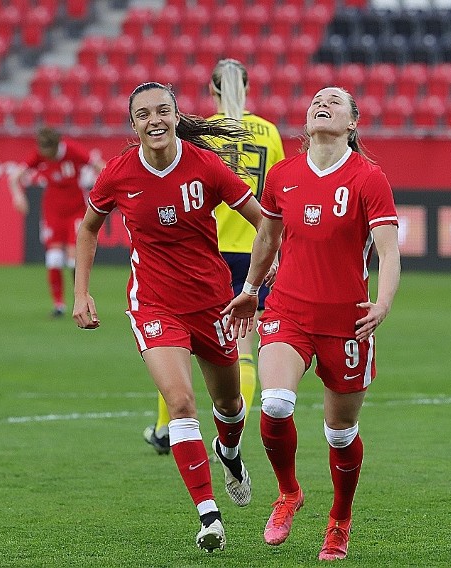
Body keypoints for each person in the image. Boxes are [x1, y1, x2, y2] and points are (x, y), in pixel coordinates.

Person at [72, 82, 264, 552]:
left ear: (176, 116)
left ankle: (231, 453)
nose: (154, 120)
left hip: (212, 300)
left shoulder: (206, 166)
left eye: (162, 110)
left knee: (230, 407)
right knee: (180, 402)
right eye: (143, 114)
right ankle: (208, 515)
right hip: (154, 302)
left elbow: (264, 221)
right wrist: (82, 293)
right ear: (133, 125)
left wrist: (259, 277)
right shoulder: (118, 173)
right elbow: (88, 228)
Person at [222, 87, 401, 561]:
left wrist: (382, 303)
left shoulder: (369, 178)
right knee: (276, 403)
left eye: (336, 101)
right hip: (288, 310)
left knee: (340, 433)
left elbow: (388, 250)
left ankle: (340, 521)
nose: (323, 103)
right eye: (318, 99)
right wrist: (250, 288)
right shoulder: (283, 176)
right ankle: (288, 493)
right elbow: (267, 238)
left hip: (348, 320)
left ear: (352, 124)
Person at [143, 58, 285, 455]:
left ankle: (165, 427)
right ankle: (235, 429)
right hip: (252, 249)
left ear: (213, 90)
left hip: (205, 250)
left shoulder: (202, 132)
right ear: (249, 88)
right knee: (243, 346)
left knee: (178, 341)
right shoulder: (269, 133)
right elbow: (273, 200)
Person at [9, 127, 105, 317]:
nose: (45, 156)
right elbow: (14, 177)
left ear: (55, 146)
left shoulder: (72, 150)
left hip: (76, 210)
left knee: (72, 260)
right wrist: (17, 196)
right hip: (53, 212)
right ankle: (58, 305)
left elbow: (100, 166)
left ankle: (80, 296)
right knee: (53, 259)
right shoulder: (40, 153)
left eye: (48, 152)